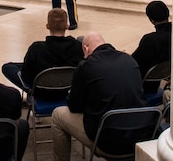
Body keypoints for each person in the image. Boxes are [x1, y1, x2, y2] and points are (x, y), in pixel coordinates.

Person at [51, 32, 146, 161]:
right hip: (141, 134)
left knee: (57, 115)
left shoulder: (86, 66)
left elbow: (74, 106)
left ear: (86, 48)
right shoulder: (130, 60)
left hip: (108, 141)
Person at [1, 8, 83, 91]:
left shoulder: (36, 49)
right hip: (69, 89)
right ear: (67, 26)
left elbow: (26, 78)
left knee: (8, 67)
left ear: (47, 26)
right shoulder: (78, 46)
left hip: (42, 92)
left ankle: (31, 92)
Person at [131, 0, 172, 93]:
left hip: (145, 86)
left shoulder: (151, 40)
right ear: (168, 14)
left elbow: (136, 63)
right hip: (162, 77)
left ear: (151, 20)